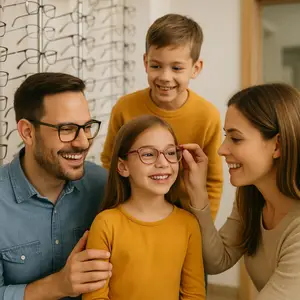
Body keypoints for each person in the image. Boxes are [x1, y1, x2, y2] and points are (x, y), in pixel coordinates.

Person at [0, 72, 112, 300]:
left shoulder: (105, 187)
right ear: (28, 132)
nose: (82, 142)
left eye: (87, 126)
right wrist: (58, 286)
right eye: (67, 129)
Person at [101, 13, 223, 220]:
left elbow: (212, 180)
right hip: (131, 215)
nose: (165, 77)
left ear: (195, 68)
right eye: (156, 66)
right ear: (145, 62)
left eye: (176, 68)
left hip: (186, 220)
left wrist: (204, 228)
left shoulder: (207, 115)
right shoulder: (124, 107)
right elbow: (109, 164)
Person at [187, 83, 300, 299]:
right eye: (226, 136)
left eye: (236, 138)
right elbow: (217, 260)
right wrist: (197, 193)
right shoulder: (252, 196)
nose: (221, 149)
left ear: (278, 146)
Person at [83, 115, 206, 300]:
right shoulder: (106, 224)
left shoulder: (188, 224)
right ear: (123, 167)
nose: (163, 163)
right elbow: (94, 296)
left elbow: (194, 294)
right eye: (148, 154)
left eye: (171, 153)